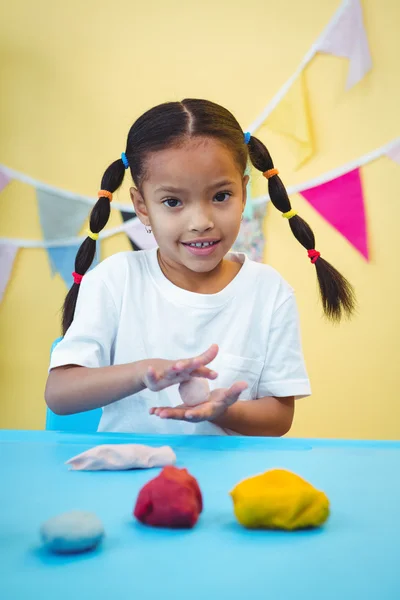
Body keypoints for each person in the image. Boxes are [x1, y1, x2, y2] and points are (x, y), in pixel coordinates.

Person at [45, 99, 355, 436]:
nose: (201, 222)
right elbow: (60, 394)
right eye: (173, 202)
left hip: (231, 483)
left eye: (221, 196)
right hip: (129, 477)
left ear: (244, 192)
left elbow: (279, 417)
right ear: (142, 207)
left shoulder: (269, 291)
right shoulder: (114, 280)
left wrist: (219, 411)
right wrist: (142, 372)